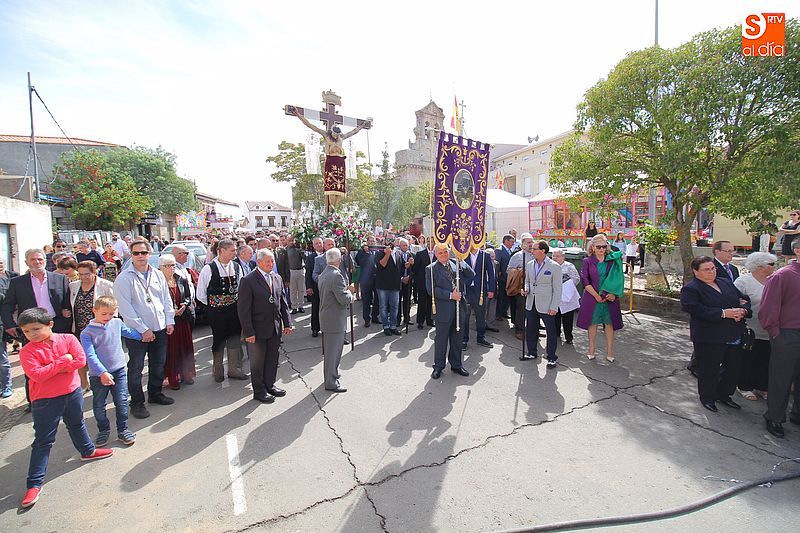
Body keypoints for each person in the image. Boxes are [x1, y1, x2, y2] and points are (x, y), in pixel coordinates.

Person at [18, 307, 113, 508]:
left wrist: (56, 366)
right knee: (43, 440)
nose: (31, 334)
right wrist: (63, 361)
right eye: (26, 331)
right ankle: (34, 483)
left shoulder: (68, 339)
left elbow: (80, 360)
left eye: (35, 329)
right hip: (45, 400)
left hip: (72, 392)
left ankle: (87, 451)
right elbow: (37, 375)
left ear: (50, 324)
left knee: (77, 424)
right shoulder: (27, 351)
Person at [113, 240, 176, 419]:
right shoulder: (124, 278)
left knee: (158, 364)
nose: (140, 256)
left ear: (150, 254)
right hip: (137, 333)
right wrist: (143, 329)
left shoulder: (157, 274)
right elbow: (125, 308)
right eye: (136, 253)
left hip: (160, 328)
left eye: (143, 252)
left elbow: (166, 299)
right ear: (131, 255)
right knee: (136, 368)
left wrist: (169, 321)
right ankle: (137, 402)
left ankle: (155, 394)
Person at [680, 256, 751, 413]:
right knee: (709, 369)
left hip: (733, 334)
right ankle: (707, 397)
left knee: (732, 368)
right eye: (706, 269)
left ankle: (724, 395)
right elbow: (695, 309)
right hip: (709, 336)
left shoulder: (724, 282)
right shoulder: (691, 288)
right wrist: (724, 313)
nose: (711, 272)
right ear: (695, 271)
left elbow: (743, 299)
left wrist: (743, 311)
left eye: (713, 268)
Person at [80, 296, 140, 446]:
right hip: (98, 375)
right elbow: (90, 355)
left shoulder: (117, 323)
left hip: (118, 370)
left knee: (121, 401)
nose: (108, 317)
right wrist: (102, 372)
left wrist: (146, 336)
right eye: (104, 313)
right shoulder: (86, 333)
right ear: (94, 311)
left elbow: (129, 333)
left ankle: (123, 429)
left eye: (111, 313)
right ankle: (103, 430)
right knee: (99, 404)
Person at [238, 249, 293, 403]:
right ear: (259, 262)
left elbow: (282, 302)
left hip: (274, 327)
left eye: (272, 261)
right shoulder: (248, 280)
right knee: (257, 362)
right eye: (267, 261)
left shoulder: (276, 278)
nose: (271, 264)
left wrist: (287, 323)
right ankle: (259, 391)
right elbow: (243, 310)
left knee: (272, 358)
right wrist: (249, 332)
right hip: (257, 329)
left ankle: (270, 385)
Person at [759, 238, 800, 438]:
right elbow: (768, 308)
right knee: (781, 378)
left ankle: (797, 414)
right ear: (798, 251)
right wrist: (776, 333)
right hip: (788, 334)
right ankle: (774, 417)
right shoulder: (783, 275)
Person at [196, 238, 246, 382]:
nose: (235, 253)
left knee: (234, 338)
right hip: (216, 312)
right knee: (218, 340)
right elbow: (200, 294)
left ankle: (233, 369)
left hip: (234, 309)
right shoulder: (209, 268)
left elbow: (240, 288)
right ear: (222, 250)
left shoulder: (236, 266)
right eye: (232, 250)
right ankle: (217, 370)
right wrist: (215, 305)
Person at [426, 243, 475, 379]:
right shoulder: (431, 268)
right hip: (443, 309)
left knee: (457, 339)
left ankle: (456, 365)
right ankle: (438, 367)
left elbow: (471, 274)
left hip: (459, 308)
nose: (443, 255)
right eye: (440, 253)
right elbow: (432, 290)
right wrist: (450, 295)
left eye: (445, 252)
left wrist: (462, 260)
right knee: (441, 339)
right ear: (435, 254)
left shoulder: (455, 262)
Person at [733, 252, 776, 401]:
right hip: (750, 328)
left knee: (766, 358)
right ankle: (744, 386)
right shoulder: (744, 281)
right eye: (771, 264)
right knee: (749, 358)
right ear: (760, 266)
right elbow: (735, 300)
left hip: (770, 328)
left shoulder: (775, 280)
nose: (774, 267)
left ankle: (763, 386)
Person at [576, 235, 625, 362]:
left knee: (610, 324)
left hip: (610, 296)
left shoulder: (612, 260)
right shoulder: (587, 261)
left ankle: (610, 350)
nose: (602, 249)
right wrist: (596, 295)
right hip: (593, 297)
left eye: (604, 246)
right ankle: (591, 349)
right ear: (592, 247)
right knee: (592, 323)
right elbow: (585, 281)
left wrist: (613, 293)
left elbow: (618, 278)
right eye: (599, 247)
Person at [69, 261, 114, 389]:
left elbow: (115, 305)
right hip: (79, 327)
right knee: (80, 356)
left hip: (98, 327)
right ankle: (84, 383)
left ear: (94, 272)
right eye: (81, 274)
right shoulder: (73, 286)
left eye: (87, 274)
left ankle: (102, 378)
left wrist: (109, 321)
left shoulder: (105, 285)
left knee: (98, 355)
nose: (83, 277)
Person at [318, 248, 355, 393]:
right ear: (339, 260)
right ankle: (331, 382)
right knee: (333, 353)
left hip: (328, 317)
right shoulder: (336, 276)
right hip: (334, 319)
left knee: (330, 352)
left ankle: (330, 376)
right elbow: (343, 299)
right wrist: (351, 293)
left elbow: (333, 293)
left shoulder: (325, 273)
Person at [520, 241, 562, 368]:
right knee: (531, 329)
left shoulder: (554, 266)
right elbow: (527, 281)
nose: (531, 251)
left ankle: (551, 357)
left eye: (534, 249)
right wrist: (525, 289)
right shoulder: (529, 264)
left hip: (547, 304)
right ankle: (532, 352)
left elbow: (558, 288)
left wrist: (554, 306)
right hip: (531, 302)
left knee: (551, 331)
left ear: (543, 251)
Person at [159, 254, 195, 390]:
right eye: (167, 266)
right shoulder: (158, 281)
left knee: (184, 348)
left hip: (182, 319)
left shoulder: (181, 279)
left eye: (173, 265)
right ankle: (172, 377)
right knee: (171, 350)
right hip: (168, 322)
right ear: (160, 267)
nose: (171, 268)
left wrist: (184, 305)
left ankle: (186, 374)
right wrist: (169, 312)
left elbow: (188, 296)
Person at [461, 248, 495, 350]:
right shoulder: (463, 254)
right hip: (466, 289)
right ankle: (464, 339)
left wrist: (491, 289)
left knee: (480, 315)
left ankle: (481, 337)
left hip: (480, 290)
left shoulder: (485, 256)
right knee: (465, 316)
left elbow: (491, 273)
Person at [507, 233, 535, 340]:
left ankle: (533, 329)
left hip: (534, 287)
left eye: (532, 242)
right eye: (528, 242)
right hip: (521, 287)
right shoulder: (517, 256)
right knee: (521, 309)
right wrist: (521, 272)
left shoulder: (535, 255)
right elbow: (509, 270)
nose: (531, 244)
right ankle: (519, 330)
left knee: (533, 310)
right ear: (522, 244)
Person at [552, 249, 580, 345]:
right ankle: (556, 333)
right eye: (553, 256)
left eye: (557, 256)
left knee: (567, 318)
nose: (555, 258)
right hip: (554, 296)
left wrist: (567, 286)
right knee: (555, 316)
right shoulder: (550, 266)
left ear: (563, 257)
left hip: (567, 296)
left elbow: (576, 279)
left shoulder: (569, 266)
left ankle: (568, 337)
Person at [0, 259, 19, 398]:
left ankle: (6, 385)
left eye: (1, 261)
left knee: (2, 359)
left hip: (10, 319)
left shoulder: (14, 276)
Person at [375, 241, 402, 336]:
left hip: (395, 285)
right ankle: (385, 326)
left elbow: (400, 267)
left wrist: (407, 264)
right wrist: (387, 254)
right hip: (382, 285)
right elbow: (382, 264)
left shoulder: (398, 253)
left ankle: (393, 326)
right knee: (383, 307)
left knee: (395, 307)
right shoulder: (379, 253)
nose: (390, 244)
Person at [412, 236, 436, 329]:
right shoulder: (420, 254)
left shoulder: (437, 254)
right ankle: (420, 321)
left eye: (432, 241)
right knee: (422, 302)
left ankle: (430, 320)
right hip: (422, 282)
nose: (430, 243)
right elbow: (415, 269)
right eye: (428, 241)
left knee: (431, 302)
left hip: (433, 283)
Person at [305, 237, 325, 337]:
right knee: (316, 308)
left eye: (320, 243)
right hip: (315, 286)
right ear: (313, 246)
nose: (319, 245)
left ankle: (326, 328)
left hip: (327, 287)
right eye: (316, 244)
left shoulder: (328, 255)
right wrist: (308, 287)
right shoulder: (310, 258)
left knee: (326, 308)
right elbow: (308, 273)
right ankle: (315, 328)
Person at [494, 234, 516, 322]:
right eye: (511, 242)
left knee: (507, 296)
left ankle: (504, 312)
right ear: (506, 241)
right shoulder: (499, 250)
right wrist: (498, 275)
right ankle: (498, 314)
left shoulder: (510, 250)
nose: (513, 244)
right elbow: (497, 264)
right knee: (501, 297)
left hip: (509, 278)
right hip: (502, 278)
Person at [396, 238, 414, 327]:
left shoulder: (411, 255)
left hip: (408, 281)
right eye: (404, 245)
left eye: (407, 245)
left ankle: (407, 319)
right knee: (398, 301)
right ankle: (397, 319)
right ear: (400, 246)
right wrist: (402, 278)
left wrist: (409, 277)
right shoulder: (397, 254)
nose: (405, 247)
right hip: (399, 281)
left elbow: (414, 269)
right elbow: (395, 268)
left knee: (407, 301)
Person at [286, 236, 306, 314]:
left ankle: (301, 306)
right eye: (290, 240)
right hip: (291, 271)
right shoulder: (285, 250)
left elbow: (304, 258)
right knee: (293, 290)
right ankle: (294, 307)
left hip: (300, 270)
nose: (292, 242)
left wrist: (302, 250)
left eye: (293, 240)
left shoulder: (299, 250)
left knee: (301, 290)